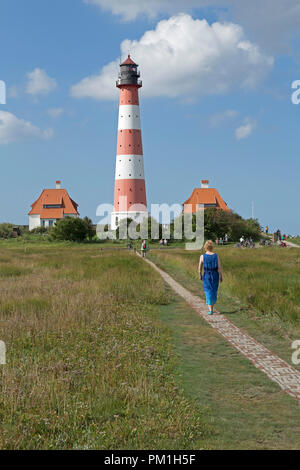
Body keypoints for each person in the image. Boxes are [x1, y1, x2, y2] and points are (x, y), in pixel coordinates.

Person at [198, 240, 223, 315]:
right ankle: (212, 307)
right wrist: (221, 276)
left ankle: (210, 309)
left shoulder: (202, 256)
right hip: (215, 275)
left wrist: (200, 275)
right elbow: (219, 267)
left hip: (207, 276)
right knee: (214, 291)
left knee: (208, 291)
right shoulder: (216, 255)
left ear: (205, 247)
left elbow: (199, 269)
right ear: (212, 247)